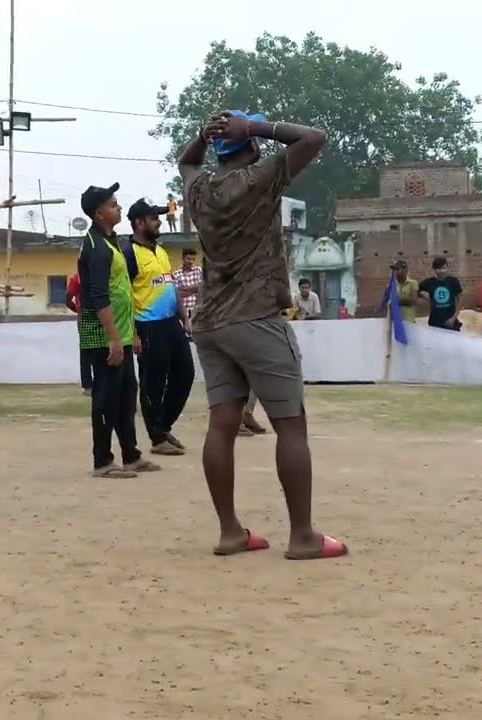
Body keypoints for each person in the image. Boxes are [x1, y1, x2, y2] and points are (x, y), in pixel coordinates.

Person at [180, 109, 345, 560]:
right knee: (290, 423)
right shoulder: (260, 177)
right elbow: (314, 136)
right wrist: (256, 126)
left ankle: (231, 531)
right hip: (255, 319)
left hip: (211, 321)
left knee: (222, 423)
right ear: (250, 146)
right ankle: (303, 536)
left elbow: (186, 162)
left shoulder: (200, 190)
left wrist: (203, 134)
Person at [76, 183, 159, 478]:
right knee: (106, 397)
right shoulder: (96, 248)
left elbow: (124, 290)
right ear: (99, 214)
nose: (119, 207)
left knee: (126, 394)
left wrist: (132, 333)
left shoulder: (114, 242)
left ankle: (131, 455)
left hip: (121, 333)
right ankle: (102, 461)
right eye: (113, 204)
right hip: (103, 334)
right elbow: (99, 296)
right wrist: (113, 338)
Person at [122, 198, 194, 456]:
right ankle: (157, 437)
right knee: (153, 383)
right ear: (139, 223)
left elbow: (170, 284)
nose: (159, 221)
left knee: (185, 375)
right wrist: (132, 333)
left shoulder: (160, 251)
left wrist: (184, 315)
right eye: (154, 218)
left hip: (171, 323)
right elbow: (123, 295)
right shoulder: (128, 254)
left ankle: (162, 426)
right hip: (147, 327)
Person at [64, 271, 92, 395]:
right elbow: (68, 299)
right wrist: (78, 310)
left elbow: (68, 299)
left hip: (101, 316)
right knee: (86, 351)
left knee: (91, 351)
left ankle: (90, 385)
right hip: (86, 317)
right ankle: (87, 385)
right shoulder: (77, 279)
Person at [418, 257, 463, 331]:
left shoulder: (453, 281)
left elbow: (460, 300)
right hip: (435, 321)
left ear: (447, 268)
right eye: (439, 269)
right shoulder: (429, 282)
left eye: (444, 268)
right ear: (434, 270)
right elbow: (416, 290)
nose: (442, 271)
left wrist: (454, 318)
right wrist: (427, 298)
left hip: (451, 321)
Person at [171, 248, 202, 332]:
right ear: (183, 258)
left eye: (193, 259)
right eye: (188, 259)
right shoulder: (176, 274)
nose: (191, 261)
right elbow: (177, 294)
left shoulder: (198, 270)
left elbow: (201, 287)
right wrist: (194, 289)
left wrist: (184, 288)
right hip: (183, 312)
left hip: (197, 311)